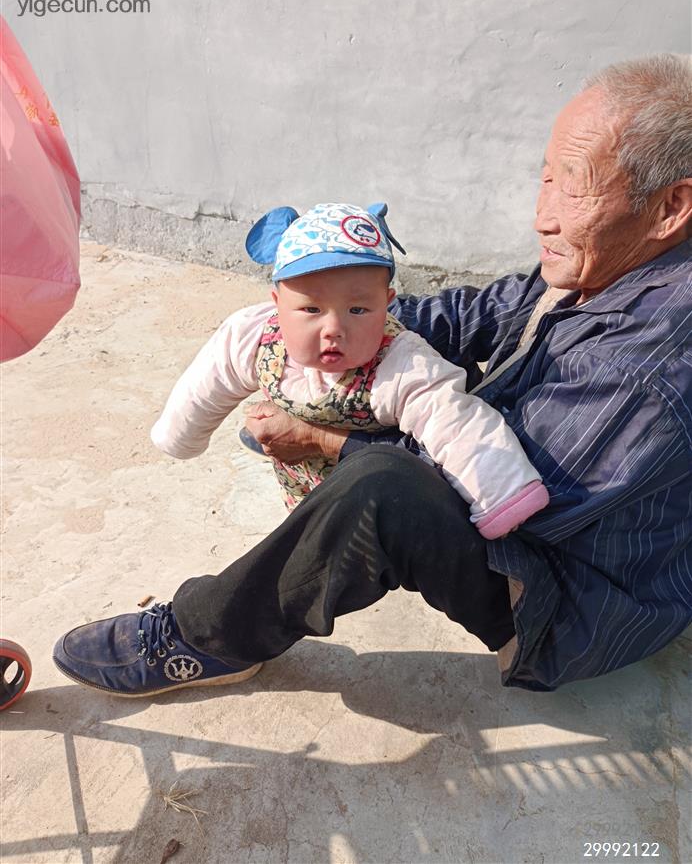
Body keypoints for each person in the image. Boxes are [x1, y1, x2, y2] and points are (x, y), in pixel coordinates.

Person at [53, 54, 692, 696]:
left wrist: (324, 439)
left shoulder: (645, 365)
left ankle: (207, 637)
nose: (542, 216)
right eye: (544, 179)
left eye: (572, 187)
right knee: (409, 376)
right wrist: (346, 314)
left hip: (570, 597)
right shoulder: (603, 263)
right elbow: (478, 312)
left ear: (670, 207)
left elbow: (512, 502)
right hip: (555, 504)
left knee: (383, 487)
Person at [149, 201, 548, 533]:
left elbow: (457, 424)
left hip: (370, 504)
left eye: (358, 310)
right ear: (276, 302)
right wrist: (181, 436)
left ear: (387, 304)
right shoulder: (253, 336)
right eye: (311, 309)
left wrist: (503, 496)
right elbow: (207, 383)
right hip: (300, 489)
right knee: (304, 526)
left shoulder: (401, 363)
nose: (334, 329)